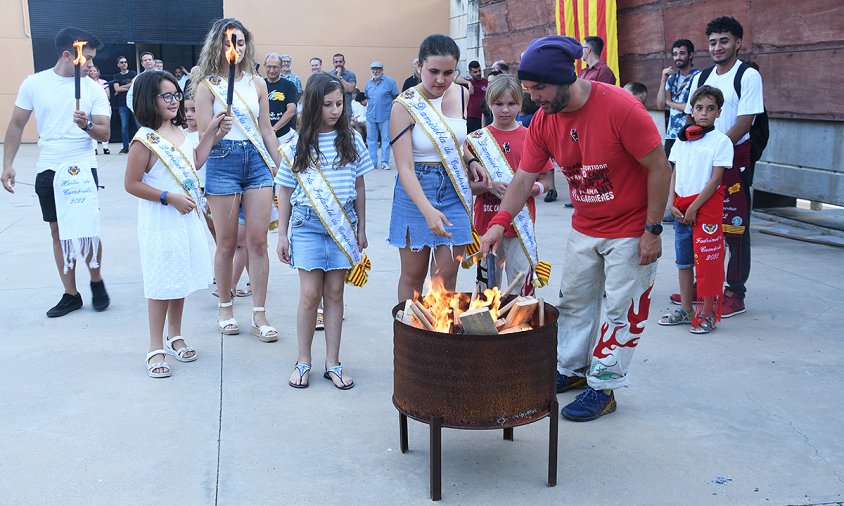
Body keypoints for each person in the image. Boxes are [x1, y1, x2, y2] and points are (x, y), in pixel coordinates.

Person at [480, 35, 671, 422]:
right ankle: (571, 369)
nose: (533, 98)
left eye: (539, 88)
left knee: (622, 310)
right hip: (585, 226)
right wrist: (499, 222)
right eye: (528, 89)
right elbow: (522, 178)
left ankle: (604, 386)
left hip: (631, 229)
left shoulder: (621, 108)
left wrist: (652, 230)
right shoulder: (545, 121)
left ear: (565, 77)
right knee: (574, 303)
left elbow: (659, 168)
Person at [124, 71, 230, 378]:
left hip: (183, 221)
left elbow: (195, 162)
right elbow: (131, 184)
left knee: (178, 278)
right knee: (160, 283)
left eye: (175, 96)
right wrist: (167, 197)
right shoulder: (144, 140)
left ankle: (176, 334)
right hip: (160, 222)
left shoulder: (181, 133)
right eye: (166, 96)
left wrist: (211, 132)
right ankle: (155, 345)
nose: (174, 102)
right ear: (148, 99)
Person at [2, 27, 112, 318]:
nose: (91, 65)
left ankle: (97, 281)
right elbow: (15, 125)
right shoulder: (34, 83)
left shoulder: (93, 89)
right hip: (49, 164)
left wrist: (87, 126)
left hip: (82, 165)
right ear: (68, 54)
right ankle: (70, 293)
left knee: (87, 228)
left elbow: (105, 133)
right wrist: (8, 163)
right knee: (58, 230)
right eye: (87, 59)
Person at [276, 72, 374, 390]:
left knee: (335, 293)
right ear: (314, 105)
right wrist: (282, 234)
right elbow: (285, 190)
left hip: (342, 224)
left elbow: (359, 186)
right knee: (309, 295)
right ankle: (303, 361)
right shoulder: (296, 145)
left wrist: (361, 228)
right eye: (328, 104)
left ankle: (333, 362)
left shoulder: (352, 140)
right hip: (307, 225)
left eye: (339, 104)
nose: (335, 111)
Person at [193, 18, 280, 341]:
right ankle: (226, 307)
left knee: (258, 241)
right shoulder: (207, 85)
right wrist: (216, 131)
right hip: (222, 160)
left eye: (241, 42)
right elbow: (203, 137)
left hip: (256, 161)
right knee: (227, 242)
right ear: (219, 46)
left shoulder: (257, 83)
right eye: (230, 42)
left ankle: (260, 314)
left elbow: (266, 129)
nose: (237, 48)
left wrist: (281, 165)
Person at [388, 34, 488, 301]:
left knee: (446, 277)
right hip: (416, 191)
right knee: (413, 277)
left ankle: (437, 340)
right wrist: (427, 210)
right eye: (433, 71)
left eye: (448, 72)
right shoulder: (404, 106)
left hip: (455, 190)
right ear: (419, 66)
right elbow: (405, 168)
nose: (441, 80)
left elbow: (455, 140)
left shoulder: (463, 93)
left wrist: (471, 160)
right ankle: (411, 337)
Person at [682, 16, 763, 318]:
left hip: (733, 162)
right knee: (703, 224)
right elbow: (692, 116)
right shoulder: (702, 76)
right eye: (713, 42)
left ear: (738, 42)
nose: (717, 47)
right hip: (703, 160)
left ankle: (735, 292)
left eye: (724, 41)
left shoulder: (748, 76)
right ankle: (705, 286)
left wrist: (716, 149)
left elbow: (745, 121)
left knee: (735, 228)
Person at [467, 74, 552, 296]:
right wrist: (488, 186)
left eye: (511, 104)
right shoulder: (476, 140)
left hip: (519, 226)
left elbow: (546, 182)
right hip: (486, 224)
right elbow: (466, 187)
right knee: (487, 288)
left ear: (521, 103)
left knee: (521, 286)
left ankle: (521, 329)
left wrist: (527, 190)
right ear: (489, 104)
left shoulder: (532, 137)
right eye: (499, 104)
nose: (505, 110)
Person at [659, 85, 732, 334]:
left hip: (704, 211)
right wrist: (671, 201)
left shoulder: (721, 142)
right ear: (692, 110)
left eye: (710, 109)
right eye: (699, 108)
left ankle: (708, 312)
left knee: (708, 261)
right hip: (680, 208)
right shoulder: (683, 139)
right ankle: (687, 308)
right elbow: (675, 171)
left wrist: (694, 208)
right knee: (683, 261)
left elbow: (715, 180)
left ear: (719, 112)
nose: (704, 114)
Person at [657, 39, 700, 160]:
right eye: (675, 54)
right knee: (671, 173)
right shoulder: (671, 79)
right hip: (671, 134)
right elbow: (660, 105)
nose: (678, 57)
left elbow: (691, 107)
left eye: (682, 53)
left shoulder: (698, 77)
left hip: (690, 132)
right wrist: (663, 79)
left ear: (690, 55)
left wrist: (670, 102)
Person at [364, 61, 399, 170]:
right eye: (373, 69)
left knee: (386, 139)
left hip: (385, 116)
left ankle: (385, 162)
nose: (375, 71)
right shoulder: (368, 84)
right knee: (371, 140)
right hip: (371, 116)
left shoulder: (390, 82)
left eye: (378, 69)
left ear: (382, 70)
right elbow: (367, 98)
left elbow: (396, 97)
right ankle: (373, 163)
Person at [264, 53, 298, 144]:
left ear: (281, 67)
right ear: (264, 66)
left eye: (275, 67)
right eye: (268, 67)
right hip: (263, 135)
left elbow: (291, 111)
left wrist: (273, 129)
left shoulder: (289, 86)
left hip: (284, 136)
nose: (271, 70)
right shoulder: (259, 85)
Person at [111, 55, 137, 154]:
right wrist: (129, 86)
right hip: (122, 104)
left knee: (139, 125)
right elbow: (116, 89)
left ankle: (142, 146)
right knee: (124, 126)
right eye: (121, 62)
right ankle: (125, 147)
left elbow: (135, 85)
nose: (124, 64)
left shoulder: (133, 73)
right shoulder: (116, 76)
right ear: (118, 65)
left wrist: (122, 87)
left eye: (125, 62)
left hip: (133, 103)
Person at [88, 65, 111, 154]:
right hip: (91, 108)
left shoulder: (103, 82)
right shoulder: (87, 83)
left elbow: (108, 95)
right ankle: (94, 148)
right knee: (92, 127)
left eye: (94, 71)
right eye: (91, 71)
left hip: (104, 107)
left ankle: (105, 147)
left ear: (98, 72)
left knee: (104, 126)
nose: (93, 72)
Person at [466, 60, 488, 133]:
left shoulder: (486, 82)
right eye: (475, 72)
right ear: (470, 73)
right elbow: (453, 79)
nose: (478, 73)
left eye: (479, 71)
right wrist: (468, 83)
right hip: (470, 117)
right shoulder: (468, 83)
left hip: (484, 116)